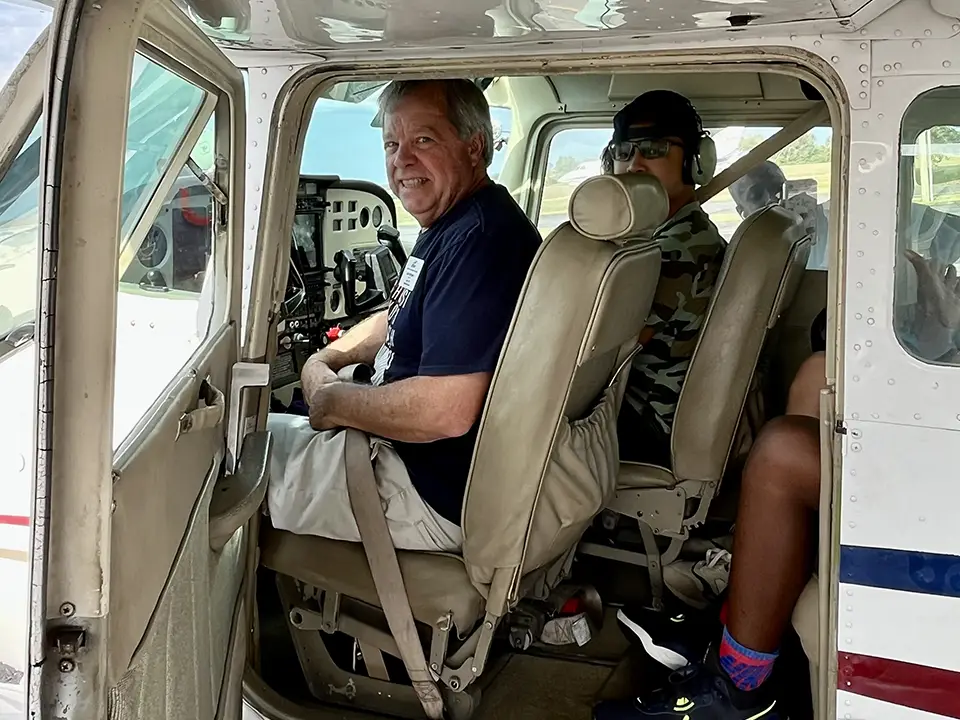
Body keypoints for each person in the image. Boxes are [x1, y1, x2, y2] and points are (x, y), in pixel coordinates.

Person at [265, 79, 541, 553]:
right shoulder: (457, 223)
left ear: (474, 147)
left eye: (423, 139)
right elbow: (399, 314)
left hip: (422, 486)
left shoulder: (479, 241)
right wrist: (329, 357)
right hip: (424, 464)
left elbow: (445, 411)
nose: (402, 160)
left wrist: (331, 401)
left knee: (225, 455)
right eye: (392, 144)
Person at [607, 90, 727, 467]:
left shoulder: (675, 250)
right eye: (624, 151)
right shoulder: (678, 234)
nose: (635, 165)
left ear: (694, 163)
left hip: (646, 423)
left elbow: (599, 356)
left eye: (654, 149)